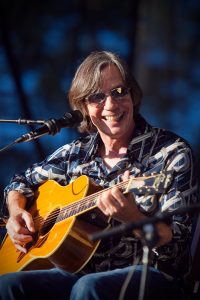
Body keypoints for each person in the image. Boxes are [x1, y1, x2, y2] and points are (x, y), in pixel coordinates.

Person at [0, 50, 199, 300]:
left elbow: (178, 254)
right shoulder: (73, 155)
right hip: (77, 272)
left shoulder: (171, 153)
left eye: (118, 92)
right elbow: (20, 183)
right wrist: (16, 213)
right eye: (97, 97)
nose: (111, 105)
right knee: (9, 285)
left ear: (132, 94)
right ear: (83, 107)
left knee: (88, 289)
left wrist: (133, 218)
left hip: (152, 277)